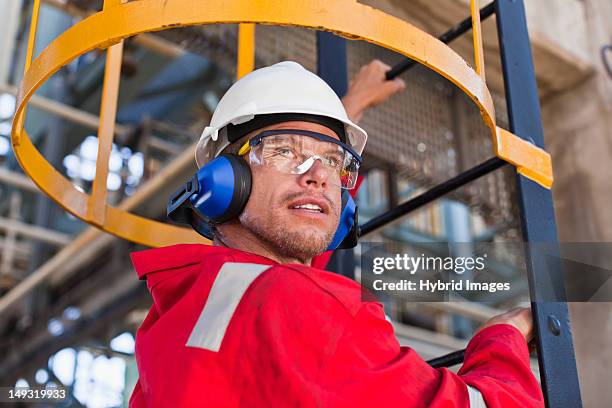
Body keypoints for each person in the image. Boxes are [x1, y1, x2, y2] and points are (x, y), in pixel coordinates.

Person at [128, 60, 544, 407]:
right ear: (224, 180)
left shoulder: (178, 315)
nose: (320, 178)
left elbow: (287, 265)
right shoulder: (297, 303)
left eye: (333, 162)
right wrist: (502, 339)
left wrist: (351, 108)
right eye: (284, 151)